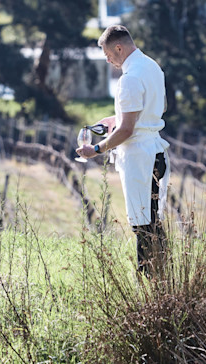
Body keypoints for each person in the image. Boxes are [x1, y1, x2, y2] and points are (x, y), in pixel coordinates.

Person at [76, 25, 170, 276]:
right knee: (154, 222)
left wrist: (96, 148)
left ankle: (148, 281)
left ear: (119, 47)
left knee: (142, 224)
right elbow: (156, 109)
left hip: (139, 157)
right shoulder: (152, 67)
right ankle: (164, 278)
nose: (108, 60)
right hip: (156, 152)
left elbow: (127, 130)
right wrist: (115, 119)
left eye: (108, 54)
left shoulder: (129, 78)